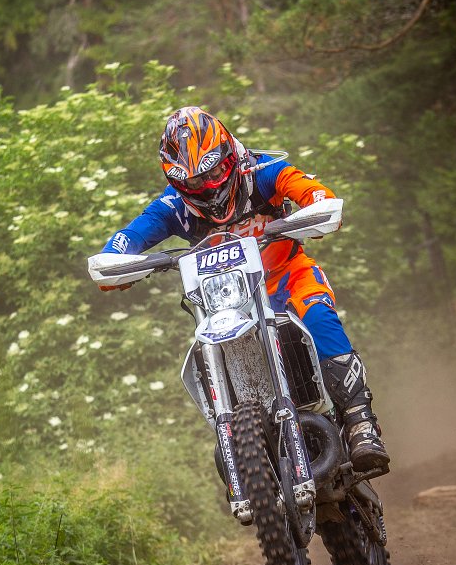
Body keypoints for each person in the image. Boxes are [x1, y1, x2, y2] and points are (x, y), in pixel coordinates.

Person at [98, 106, 389, 473]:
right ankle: (245, 443)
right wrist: (114, 262)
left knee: (317, 315)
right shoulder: (173, 207)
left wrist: (317, 207)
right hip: (228, 301)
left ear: (229, 157)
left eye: (213, 173)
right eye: (194, 182)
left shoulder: (264, 172)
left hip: (287, 276)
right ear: (176, 181)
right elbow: (128, 238)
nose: (208, 187)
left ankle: (360, 421)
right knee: (205, 347)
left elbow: (314, 193)